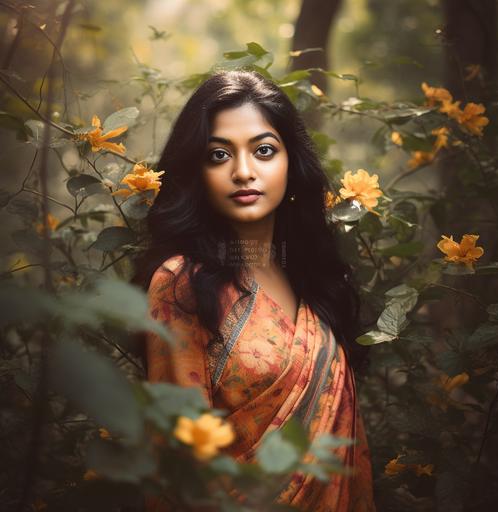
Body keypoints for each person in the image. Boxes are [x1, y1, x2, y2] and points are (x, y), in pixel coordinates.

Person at [136, 69, 376, 511]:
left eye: (264, 151)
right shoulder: (182, 284)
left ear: (291, 163)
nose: (243, 171)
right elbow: (180, 465)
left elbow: (347, 458)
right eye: (218, 155)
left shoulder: (314, 283)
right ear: (196, 172)